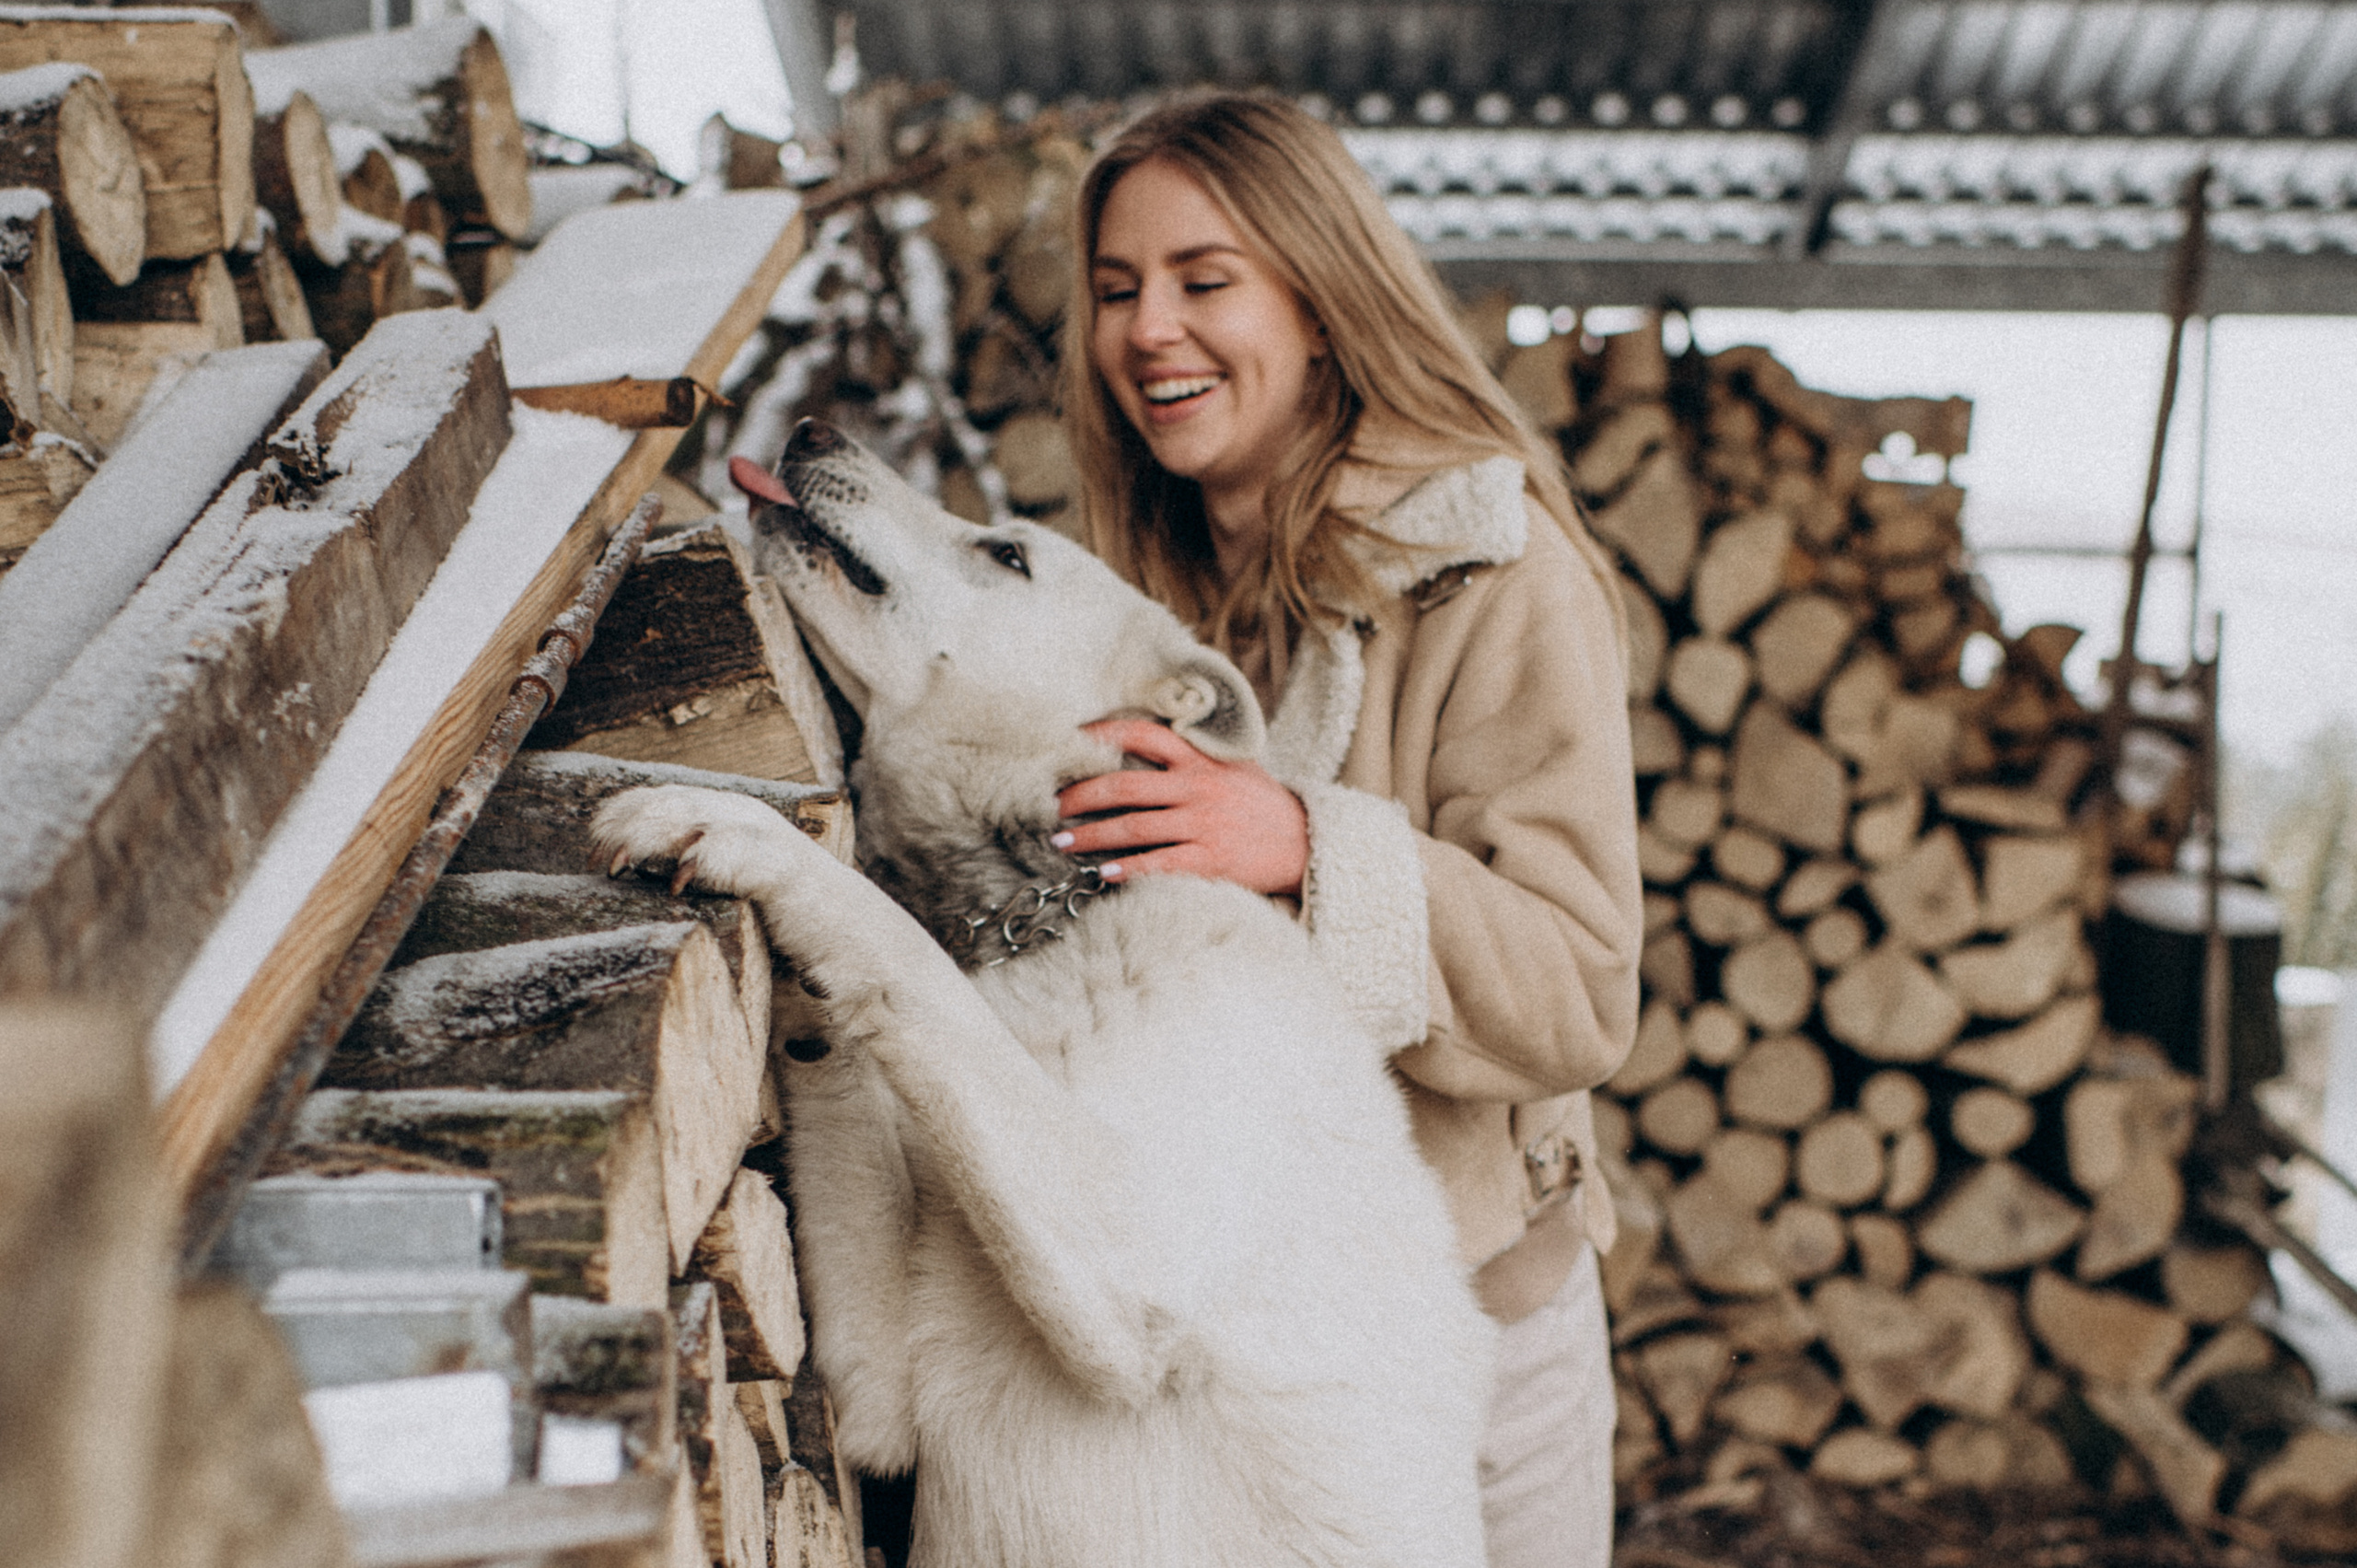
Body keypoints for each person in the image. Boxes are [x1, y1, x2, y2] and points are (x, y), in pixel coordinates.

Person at [1047, 92, 1644, 1568]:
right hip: (1227, 1358)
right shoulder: (1125, 600)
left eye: (1204, 280)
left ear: (1319, 301)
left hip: (1472, 1342)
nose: (1149, 331)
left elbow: (1580, 989)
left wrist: (1313, 849)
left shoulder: (1491, 574)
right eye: (1117, 290)